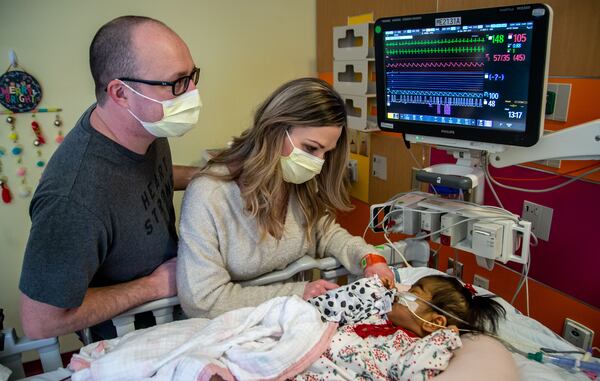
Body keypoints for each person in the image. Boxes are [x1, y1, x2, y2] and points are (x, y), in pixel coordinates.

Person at [19, 15, 200, 340]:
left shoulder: (142, 123)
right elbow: (40, 322)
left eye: (193, 76)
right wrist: (154, 285)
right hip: (130, 340)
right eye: (178, 82)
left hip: (176, 313)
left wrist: (204, 175)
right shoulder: (73, 199)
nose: (192, 93)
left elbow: (143, 179)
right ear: (120, 93)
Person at [177, 77, 395, 319]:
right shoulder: (209, 194)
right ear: (274, 130)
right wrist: (297, 293)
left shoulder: (295, 180)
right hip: (229, 325)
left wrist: (369, 258)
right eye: (311, 148)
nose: (319, 162)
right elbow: (202, 300)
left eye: (326, 152)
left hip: (290, 320)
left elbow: (324, 232)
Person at [297, 274, 506, 380]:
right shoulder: (378, 317)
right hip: (305, 358)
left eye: (414, 292)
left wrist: (444, 338)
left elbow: (414, 372)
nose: (399, 293)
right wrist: (376, 292)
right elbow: (344, 308)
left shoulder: (410, 348)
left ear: (434, 322)